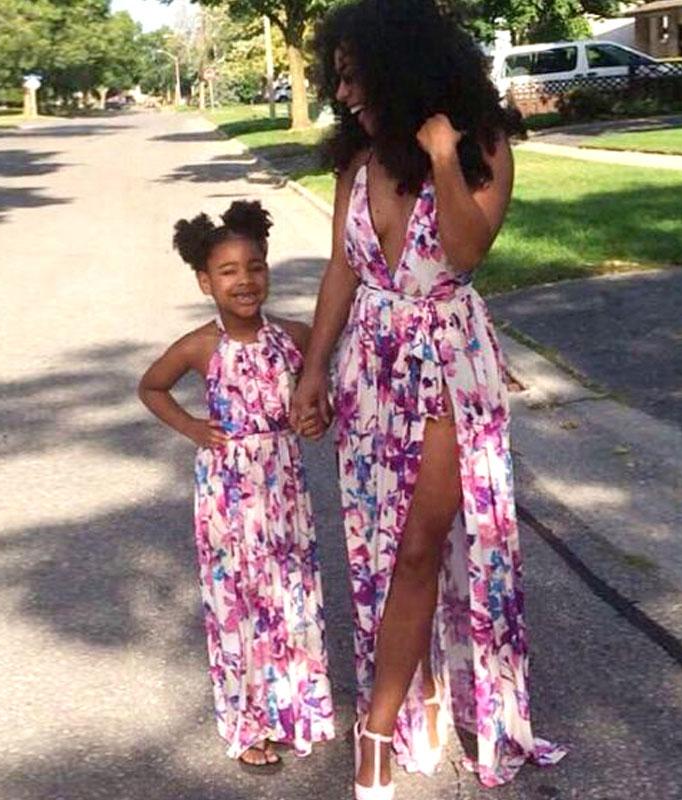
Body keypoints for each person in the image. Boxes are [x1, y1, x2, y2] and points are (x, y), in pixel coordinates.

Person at [290, 1, 566, 795]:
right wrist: (314, 367)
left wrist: (443, 156)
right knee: (379, 551)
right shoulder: (357, 162)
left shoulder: (480, 147)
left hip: (448, 364)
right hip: (369, 369)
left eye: (354, 73)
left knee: (419, 544)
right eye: (335, 76)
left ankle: (376, 728)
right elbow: (343, 269)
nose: (344, 93)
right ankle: (412, 703)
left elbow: (467, 247)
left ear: (402, 65)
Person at [139, 200, 335, 770]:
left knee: (290, 598)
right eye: (228, 271)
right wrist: (196, 430)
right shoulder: (201, 345)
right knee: (240, 606)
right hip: (228, 493)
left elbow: (323, 393)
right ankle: (248, 723)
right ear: (205, 281)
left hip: (285, 488)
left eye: (255, 267)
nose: (245, 280)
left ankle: (296, 706)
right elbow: (151, 387)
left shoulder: (294, 338)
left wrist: (316, 415)